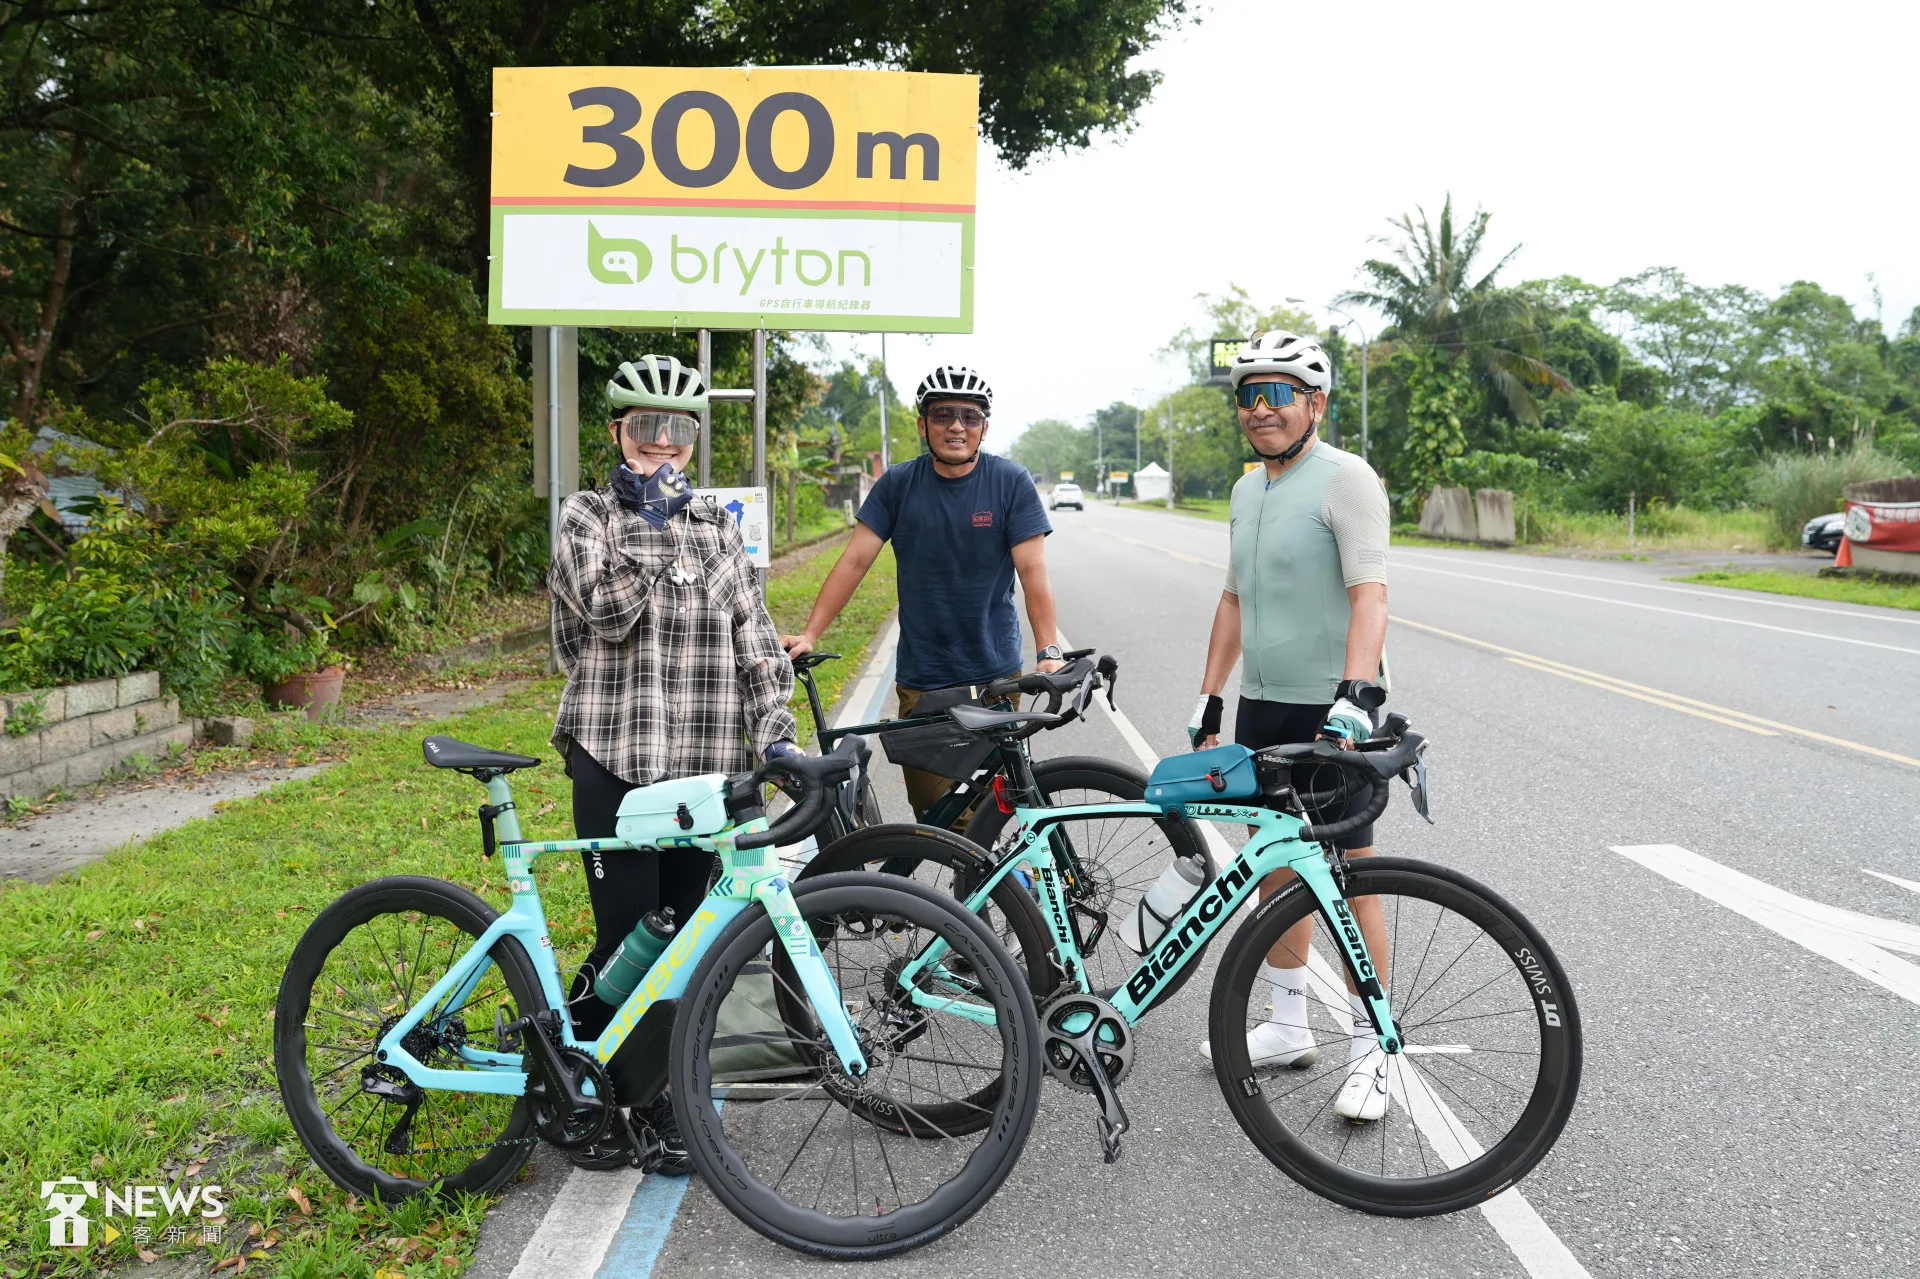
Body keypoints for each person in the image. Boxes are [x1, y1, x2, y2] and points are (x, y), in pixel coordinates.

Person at [548, 354, 802, 1171]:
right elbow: (604, 614)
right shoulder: (585, 516)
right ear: (616, 432)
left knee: (689, 943)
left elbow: (756, 643)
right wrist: (652, 528)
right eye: (645, 429)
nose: (661, 447)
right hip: (612, 759)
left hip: (701, 775)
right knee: (629, 938)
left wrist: (778, 737)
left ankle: (654, 1100)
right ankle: (577, 1079)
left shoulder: (720, 528)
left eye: (678, 433)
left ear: (692, 441)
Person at [1188, 330, 1397, 1122]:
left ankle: (1372, 1048)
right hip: (1265, 703)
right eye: (1248, 394)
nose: (1261, 408)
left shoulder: (1346, 480)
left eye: (1279, 393)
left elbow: (1370, 593)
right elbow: (1234, 599)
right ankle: (1286, 1023)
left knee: (1350, 872)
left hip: (1333, 705)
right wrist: (1211, 698)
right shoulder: (1247, 491)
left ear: (1316, 403)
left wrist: (1354, 693)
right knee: (1274, 865)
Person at [781, 364, 1063, 822]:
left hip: (997, 676)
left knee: (996, 809)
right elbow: (855, 561)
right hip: (925, 677)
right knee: (936, 815)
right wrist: (812, 632)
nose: (956, 426)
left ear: (984, 427)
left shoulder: (1010, 482)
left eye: (969, 417)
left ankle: (1000, 888)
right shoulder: (898, 484)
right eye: (943, 415)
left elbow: (1032, 572)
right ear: (922, 424)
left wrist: (1049, 649)